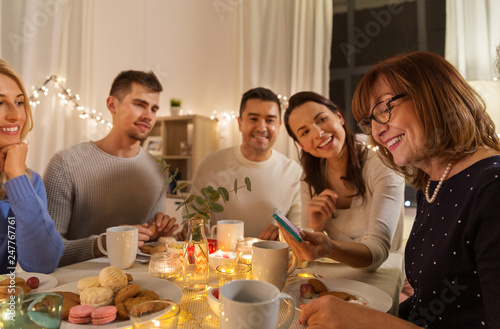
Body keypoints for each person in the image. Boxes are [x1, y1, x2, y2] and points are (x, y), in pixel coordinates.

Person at [279, 51, 500, 328]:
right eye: (370, 121)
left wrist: (369, 321)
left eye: (385, 108)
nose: (377, 131)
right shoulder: (434, 185)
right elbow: (430, 304)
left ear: (435, 93)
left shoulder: (492, 189)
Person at [44, 70, 178, 267]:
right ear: (112, 104)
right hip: (77, 288)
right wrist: (102, 243)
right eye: (139, 105)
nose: (148, 116)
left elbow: (143, 244)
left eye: (154, 109)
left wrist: (155, 236)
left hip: (138, 283)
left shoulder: (158, 169)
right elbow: (47, 253)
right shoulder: (65, 164)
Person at [283, 91, 404, 270]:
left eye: (322, 119)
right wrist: (316, 226)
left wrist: (330, 247)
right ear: (302, 145)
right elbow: (309, 256)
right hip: (331, 275)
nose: (319, 133)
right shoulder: (309, 178)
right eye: (305, 131)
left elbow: (377, 252)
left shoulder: (381, 161)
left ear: (339, 116)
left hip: (384, 274)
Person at [178, 87, 302, 240]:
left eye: (270, 120)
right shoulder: (211, 164)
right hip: (220, 260)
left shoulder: (293, 172)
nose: (262, 127)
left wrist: (281, 237)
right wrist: (194, 230)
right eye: (253, 119)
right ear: (240, 123)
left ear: (279, 126)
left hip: (272, 259)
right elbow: (192, 215)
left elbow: (298, 229)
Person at [0, 59, 64, 274]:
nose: (16, 115)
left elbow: (43, 263)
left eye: (19, 102)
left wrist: (16, 177)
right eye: (0, 103)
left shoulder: (28, 181)